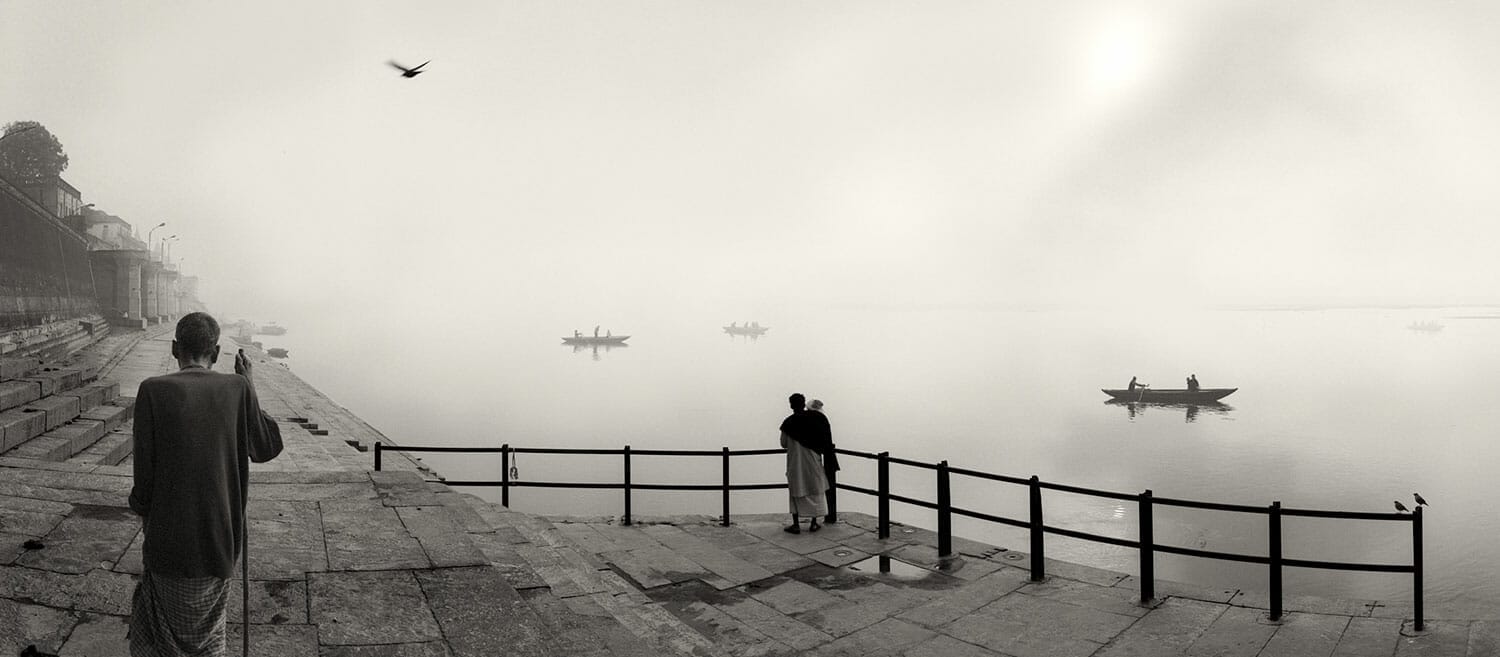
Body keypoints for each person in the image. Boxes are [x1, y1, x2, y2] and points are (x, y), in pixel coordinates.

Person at [129, 312, 284, 657]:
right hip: (219, 543)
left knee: (160, 640)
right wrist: (250, 385)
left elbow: (144, 476)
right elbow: (266, 448)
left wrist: (141, 510)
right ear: (215, 353)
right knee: (209, 637)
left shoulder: (152, 390)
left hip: (167, 542)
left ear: (174, 349)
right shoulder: (238, 388)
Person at [778, 393, 829, 534]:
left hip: (795, 462)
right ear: (803, 403)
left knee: (796, 491)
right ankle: (814, 523)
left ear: (791, 405)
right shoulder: (815, 419)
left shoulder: (788, 422)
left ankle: (796, 525)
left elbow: (783, 444)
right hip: (813, 461)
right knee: (815, 490)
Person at [806, 399, 840, 524]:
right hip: (820, 455)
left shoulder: (806, 418)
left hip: (807, 455)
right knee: (819, 486)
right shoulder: (822, 418)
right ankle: (820, 519)